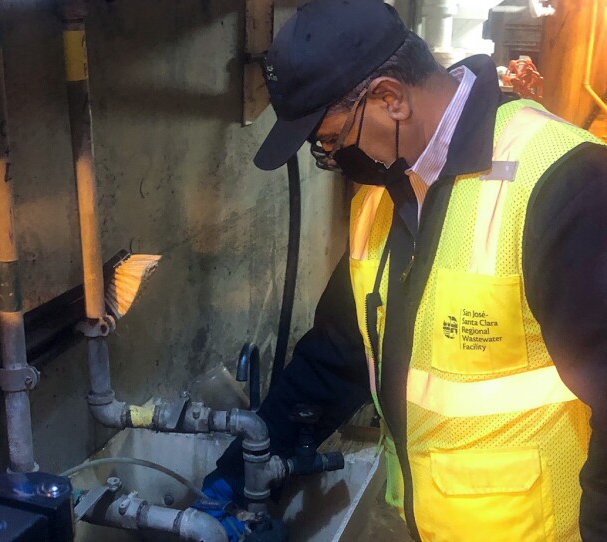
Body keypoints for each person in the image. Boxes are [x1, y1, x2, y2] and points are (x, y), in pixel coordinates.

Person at [203, 1, 607, 541]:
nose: (331, 159)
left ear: (390, 99)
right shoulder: (381, 200)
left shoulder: (563, 182)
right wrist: (239, 470)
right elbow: (338, 355)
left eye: (329, 141)